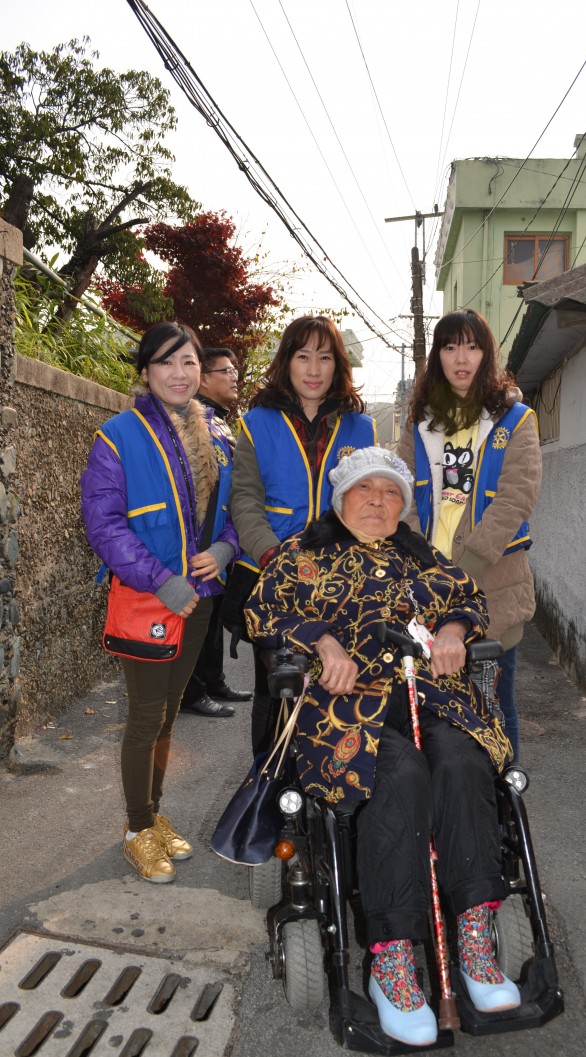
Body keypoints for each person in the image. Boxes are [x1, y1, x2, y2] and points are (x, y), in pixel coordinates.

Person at [244, 447, 519, 1046]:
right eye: (364, 489)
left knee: (462, 762)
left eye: (391, 491)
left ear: (405, 504)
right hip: (342, 709)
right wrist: (323, 645)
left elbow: (468, 601)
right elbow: (263, 611)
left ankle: (474, 931)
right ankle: (390, 960)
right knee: (399, 775)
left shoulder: (424, 559)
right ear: (339, 498)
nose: (377, 500)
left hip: (429, 698)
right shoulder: (302, 556)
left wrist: (452, 631)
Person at [81, 322, 239, 884]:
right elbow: (103, 523)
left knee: (170, 713)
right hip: (151, 598)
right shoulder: (117, 435)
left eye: (190, 362)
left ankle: (152, 814)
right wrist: (160, 579)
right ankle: (134, 830)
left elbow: (237, 511)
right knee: (147, 716)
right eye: (167, 363)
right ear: (146, 372)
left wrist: (224, 549)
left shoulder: (219, 435)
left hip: (199, 598)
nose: (180, 373)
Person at [222, 314, 376, 755]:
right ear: (287, 362)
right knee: (276, 690)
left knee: (334, 689)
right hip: (270, 576)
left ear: (338, 365)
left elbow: (366, 501)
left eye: (324, 358)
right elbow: (245, 500)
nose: (313, 369)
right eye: (302, 356)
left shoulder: (360, 427)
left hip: (338, 580)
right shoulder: (257, 422)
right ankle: (266, 792)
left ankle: (322, 794)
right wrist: (274, 555)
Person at [397, 309, 542, 762]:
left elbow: (517, 498)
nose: (462, 358)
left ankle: (503, 803)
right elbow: (400, 492)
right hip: (425, 583)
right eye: (450, 346)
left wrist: (468, 568)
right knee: (430, 706)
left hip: (493, 585)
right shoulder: (419, 421)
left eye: (473, 347)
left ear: (488, 355)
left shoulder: (516, 419)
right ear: (437, 355)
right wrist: (421, 561)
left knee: (494, 704)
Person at [180, 347, 252, 717]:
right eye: (227, 370)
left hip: (223, 538)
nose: (235, 375)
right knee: (198, 616)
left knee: (213, 614)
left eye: (235, 369)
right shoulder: (192, 420)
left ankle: (212, 679)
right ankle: (190, 692)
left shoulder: (219, 421)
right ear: (204, 379)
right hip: (201, 539)